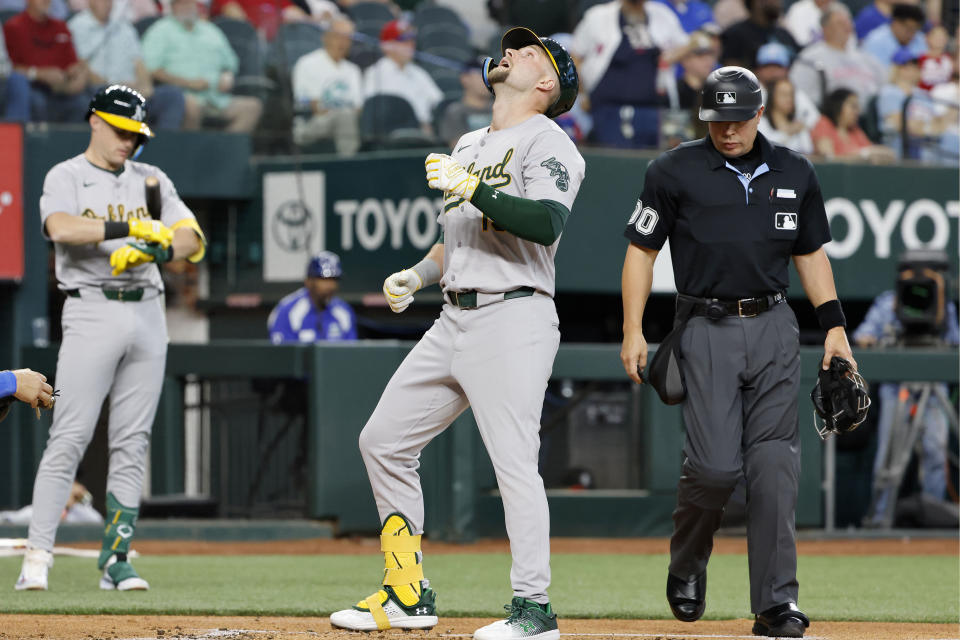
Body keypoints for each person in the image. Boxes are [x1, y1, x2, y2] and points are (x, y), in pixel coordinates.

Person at [328, 26, 584, 639]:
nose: (514, 51)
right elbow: (456, 239)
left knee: (514, 464)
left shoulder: (552, 142)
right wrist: (416, 274)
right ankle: (406, 592)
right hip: (453, 315)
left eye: (530, 51)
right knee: (383, 441)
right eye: (515, 45)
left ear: (547, 83)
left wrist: (477, 187)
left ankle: (534, 610)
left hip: (514, 313)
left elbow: (546, 224)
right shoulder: (469, 141)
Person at [620, 66, 855, 639]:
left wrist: (835, 328)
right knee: (715, 468)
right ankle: (689, 558)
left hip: (775, 323)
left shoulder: (795, 170)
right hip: (704, 323)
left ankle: (776, 604)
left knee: (775, 467)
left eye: (737, 119)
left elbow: (811, 254)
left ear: (758, 114)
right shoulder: (672, 170)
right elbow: (641, 252)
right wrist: (632, 328)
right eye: (716, 119)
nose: (726, 130)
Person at [15, 84, 206, 593]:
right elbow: (60, 228)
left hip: (147, 310)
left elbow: (192, 237)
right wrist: (131, 232)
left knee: (132, 440)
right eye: (121, 130)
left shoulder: (150, 179)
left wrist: (159, 248)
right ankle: (38, 553)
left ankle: (116, 557)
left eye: (136, 133)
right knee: (70, 435)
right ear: (95, 121)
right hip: (91, 308)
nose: (129, 142)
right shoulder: (67, 175)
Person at [852, 252, 959, 528]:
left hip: (933, 384)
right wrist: (871, 339)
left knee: (936, 452)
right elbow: (862, 336)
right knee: (888, 459)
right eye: (913, 272)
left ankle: (934, 519)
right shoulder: (888, 302)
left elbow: (953, 343)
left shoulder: (943, 304)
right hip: (896, 387)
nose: (919, 279)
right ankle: (879, 521)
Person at [571, 0, 689, 148]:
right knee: (616, 162)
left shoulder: (662, 14)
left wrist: (674, 54)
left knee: (652, 163)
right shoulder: (599, 16)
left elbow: (685, 44)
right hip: (609, 109)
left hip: (653, 109)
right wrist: (582, 93)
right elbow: (575, 56)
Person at [141, 0, 263, 133]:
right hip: (181, 95)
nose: (187, 7)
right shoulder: (160, 31)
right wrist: (189, 83)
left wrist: (227, 74)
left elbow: (230, 61)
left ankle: (221, 150)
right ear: (172, 7)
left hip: (216, 97)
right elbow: (151, 68)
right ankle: (191, 152)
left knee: (252, 107)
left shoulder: (210, 30)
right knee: (191, 105)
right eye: (182, 4)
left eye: (190, 3)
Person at [68, 0, 185, 130]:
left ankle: (165, 146)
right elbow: (81, 67)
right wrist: (116, 87)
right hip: (100, 90)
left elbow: (139, 62)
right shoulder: (76, 26)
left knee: (173, 95)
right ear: (90, 3)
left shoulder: (123, 27)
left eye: (109, 1)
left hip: (133, 90)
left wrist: (145, 86)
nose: (106, 5)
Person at [3, 0, 90, 122]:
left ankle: (75, 141)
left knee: (83, 104)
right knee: (37, 101)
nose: (46, 1)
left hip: (62, 88)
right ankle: (33, 140)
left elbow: (73, 63)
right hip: (32, 86)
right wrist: (40, 74)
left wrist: (78, 72)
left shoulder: (60, 27)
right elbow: (10, 69)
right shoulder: (14, 26)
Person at [790, 3, 887, 108]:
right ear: (825, 29)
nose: (846, 27)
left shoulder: (866, 58)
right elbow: (802, 96)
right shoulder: (810, 58)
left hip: (867, 119)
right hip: (832, 117)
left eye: (848, 22)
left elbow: (885, 87)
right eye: (840, 23)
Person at [291, 16, 363, 153]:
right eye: (338, 36)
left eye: (348, 38)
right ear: (326, 37)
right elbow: (315, 107)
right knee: (346, 115)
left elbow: (359, 108)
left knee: (347, 117)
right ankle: (350, 166)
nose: (343, 42)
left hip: (343, 122)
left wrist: (342, 111)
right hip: (310, 124)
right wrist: (343, 110)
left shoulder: (353, 70)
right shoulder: (307, 63)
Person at [362, 19, 443, 136]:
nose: (410, 45)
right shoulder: (375, 72)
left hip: (423, 132)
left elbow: (438, 101)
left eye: (411, 40)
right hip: (392, 133)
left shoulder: (418, 72)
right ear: (387, 46)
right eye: (403, 41)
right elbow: (373, 112)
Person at [267, 251, 357, 343]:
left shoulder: (344, 311)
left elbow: (350, 353)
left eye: (334, 279)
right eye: (324, 279)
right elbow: (281, 353)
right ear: (309, 282)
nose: (330, 286)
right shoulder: (287, 311)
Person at [876, 47, 946, 159]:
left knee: (952, 141)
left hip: (930, 141)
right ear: (897, 69)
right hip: (902, 143)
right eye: (907, 66)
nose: (913, 69)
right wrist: (927, 128)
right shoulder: (889, 92)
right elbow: (900, 124)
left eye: (915, 66)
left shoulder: (923, 94)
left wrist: (924, 127)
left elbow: (940, 123)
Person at [810, 87, 894, 161]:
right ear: (838, 105)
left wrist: (873, 154)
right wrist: (864, 155)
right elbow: (829, 158)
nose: (857, 112)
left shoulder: (855, 130)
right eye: (853, 107)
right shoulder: (824, 123)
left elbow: (873, 151)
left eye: (858, 107)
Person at [720, 0, 798, 68]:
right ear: (756, 2)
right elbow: (731, 72)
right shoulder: (735, 34)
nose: (778, 3)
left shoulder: (784, 34)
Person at [437, 57, 493, 148]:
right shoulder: (455, 111)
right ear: (465, 78)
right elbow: (458, 149)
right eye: (481, 74)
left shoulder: (500, 108)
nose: (489, 79)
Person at [862, 3, 927, 70]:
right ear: (895, 23)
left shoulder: (921, 39)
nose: (911, 33)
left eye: (915, 29)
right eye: (908, 28)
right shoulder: (875, 41)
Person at [759, 77, 813, 153]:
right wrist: (787, 133)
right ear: (772, 96)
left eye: (791, 95)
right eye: (784, 94)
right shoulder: (761, 122)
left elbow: (808, 150)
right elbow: (765, 147)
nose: (789, 99)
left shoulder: (798, 124)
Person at [209, 0, 308, 41]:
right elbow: (233, 13)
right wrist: (255, 32)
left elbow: (294, 13)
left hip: (277, 44)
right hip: (245, 43)